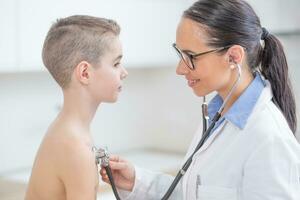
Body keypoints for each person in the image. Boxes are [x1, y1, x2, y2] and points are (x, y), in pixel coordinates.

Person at [100, 0, 300, 199]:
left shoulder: (268, 139)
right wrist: (137, 181)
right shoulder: (218, 116)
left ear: (233, 57)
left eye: (191, 56)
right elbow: (195, 193)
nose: (180, 68)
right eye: (180, 53)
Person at [25, 15, 128, 200]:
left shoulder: (66, 131)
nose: (124, 72)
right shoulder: (76, 148)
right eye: (116, 63)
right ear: (85, 73)